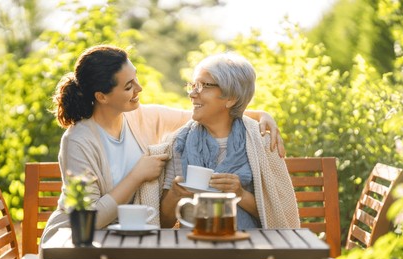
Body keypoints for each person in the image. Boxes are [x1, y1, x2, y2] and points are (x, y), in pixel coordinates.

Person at [41, 45, 285, 246]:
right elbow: (86, 219)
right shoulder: (78, 141)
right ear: (102, 96)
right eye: (128, 86)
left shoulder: (140, 116)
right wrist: (137, 176)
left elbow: (205, 113)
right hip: (76, 240)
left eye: (135, 78)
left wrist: (261, 114)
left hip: (128, 237)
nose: (139, 88)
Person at [160, 52, 300, 229]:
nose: (192, 94)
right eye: (193, 85)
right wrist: (175, 194)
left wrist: (239, 193)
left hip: (250, 247)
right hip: (195, 247)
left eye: (204, 86)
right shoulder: (180, 142)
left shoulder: (261, 140)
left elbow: (279, 216)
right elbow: (164, 223)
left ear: (231, 98)